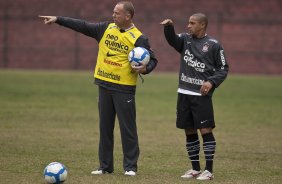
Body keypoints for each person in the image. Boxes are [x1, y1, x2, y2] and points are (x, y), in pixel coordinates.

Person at [39, 1, 158, 176]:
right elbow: (83, 25)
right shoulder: (105, 29)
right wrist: (58, 19)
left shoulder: (139, 38)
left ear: (128, 16)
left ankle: (130, 167)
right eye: (113, 12)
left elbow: (153, 60)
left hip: (124, 88)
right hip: (103, 85)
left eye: (117, 13)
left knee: (128, 129)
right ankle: (105, 166)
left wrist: (145, 69)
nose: (113, 15)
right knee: (105, 128)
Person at [160, 13, 228, 180]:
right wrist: (168, 28)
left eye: (192, 23)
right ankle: (195, 169)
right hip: (184, 93)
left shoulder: (214, 45)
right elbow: (173, 41)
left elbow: (223, 68)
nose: (188, 26)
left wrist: (211, 82)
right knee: (189, 130)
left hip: (201, 95)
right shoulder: (185, 40)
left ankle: (209, 171)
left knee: (205, 130)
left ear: (202, 25)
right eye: (188, 23)